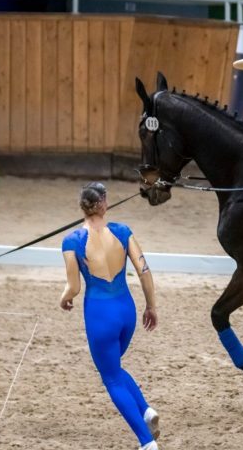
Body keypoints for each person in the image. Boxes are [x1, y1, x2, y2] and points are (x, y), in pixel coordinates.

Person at [60, 182, 160, 450]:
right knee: (113, 367)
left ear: (82, 206)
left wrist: (63, 298)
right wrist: (151, 306)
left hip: (100, 315)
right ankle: (147, 411)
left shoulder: (72, 241)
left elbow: (75, 287)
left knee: (111, 376)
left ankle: (146, 442)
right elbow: (144, 271)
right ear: (103, 203)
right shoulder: (123, 231)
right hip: (126, 312)